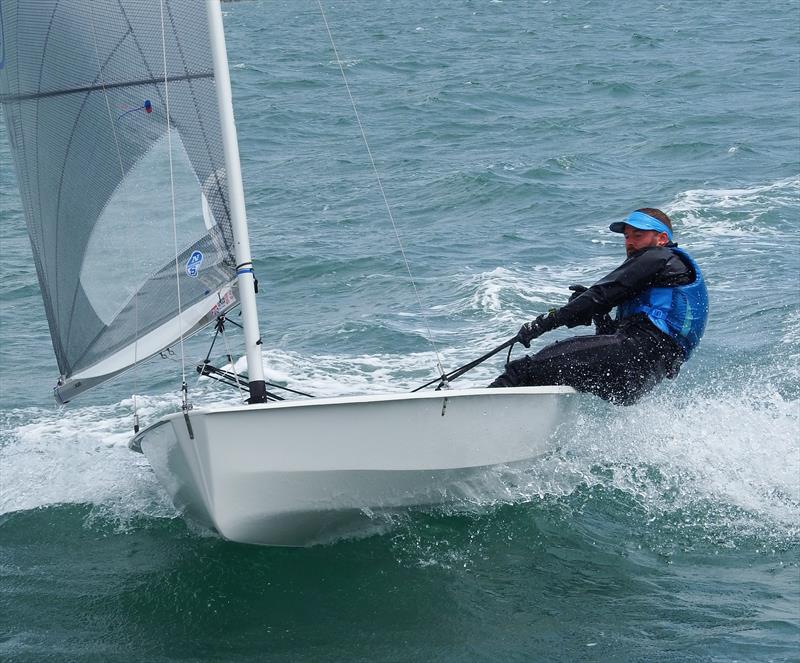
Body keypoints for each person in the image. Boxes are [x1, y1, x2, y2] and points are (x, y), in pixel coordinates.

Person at [488, 208, 709, 405]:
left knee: (522, 370)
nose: (630, 242)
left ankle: (472, 417)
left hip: (636, 353)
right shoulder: (660, 274)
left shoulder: (659, 257)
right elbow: (607, 328)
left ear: (662, 238)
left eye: (638, 236)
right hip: (642, 375)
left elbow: (600, 295)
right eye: (626, 236)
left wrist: (541, 324)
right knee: (546, 373)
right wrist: (599, 314)